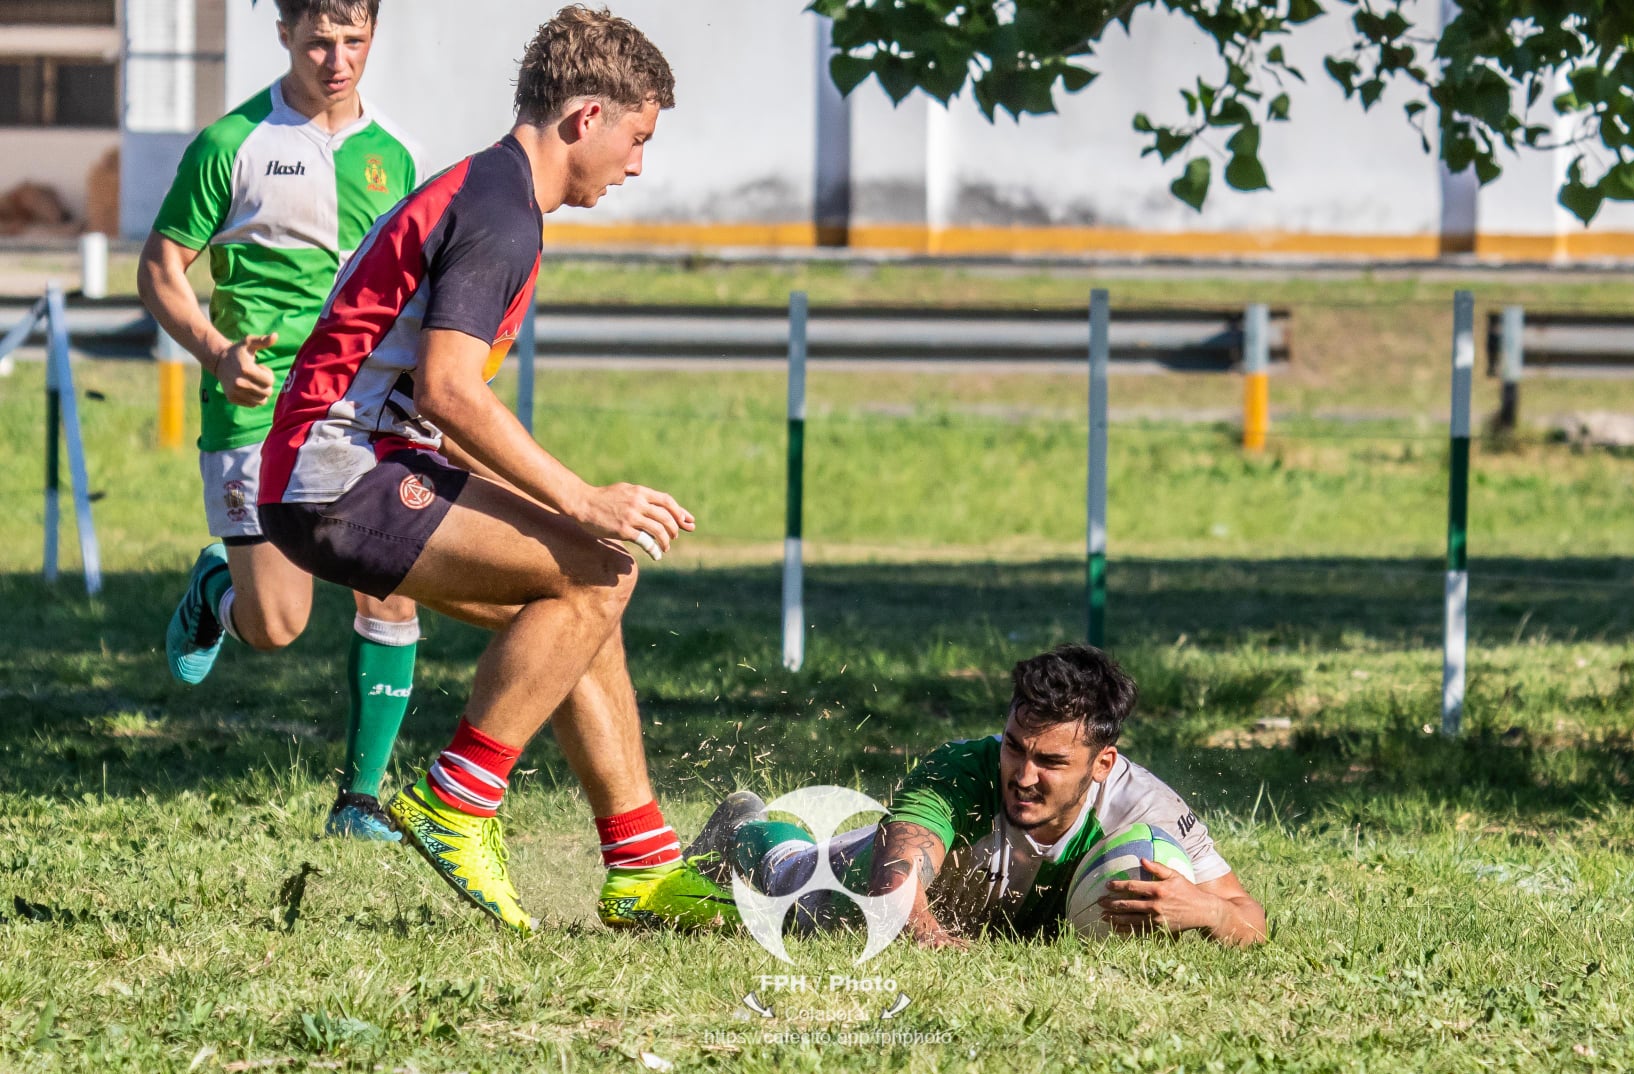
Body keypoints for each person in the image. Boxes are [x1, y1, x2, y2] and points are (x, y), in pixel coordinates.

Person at [257, 6, 731, 935]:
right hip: (336, 474)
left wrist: (568, 517)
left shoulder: (493, 191)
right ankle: (458, 802)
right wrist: (582, 498)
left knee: (581, 596)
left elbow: (443, 403)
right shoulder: (501, 211)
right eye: (637, 139)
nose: (638, 166)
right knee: (600, 569)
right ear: (586, 117)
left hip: (346, 466)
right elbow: (447, 390)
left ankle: (641, 866)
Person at [138, 0, 424, 842]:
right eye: (318, 41)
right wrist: (215, 348)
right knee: (276, 627)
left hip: (360, 406)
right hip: (254, 405)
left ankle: (359, 801)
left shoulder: (397, 155)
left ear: (373, 37)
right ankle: (216, 589)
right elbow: (160, 267)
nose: (337, 60)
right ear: (285, 35)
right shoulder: (232, 144)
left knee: (391, 579)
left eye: (354, 41)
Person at [689, 644, 1268, 947]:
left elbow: (1251, 920)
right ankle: (741, 827)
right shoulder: (961, 770)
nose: (1022, 774)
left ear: (1103, 763)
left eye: (1051, 761)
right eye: (1016, 747)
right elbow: (896, 890)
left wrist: (1210, 912)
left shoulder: (1147, 809)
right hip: (857, 877)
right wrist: (928, 932)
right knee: (796, 881)